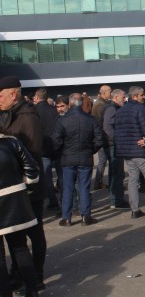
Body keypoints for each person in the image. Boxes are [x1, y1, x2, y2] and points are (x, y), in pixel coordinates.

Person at [0, 76, 47, 291]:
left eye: (0, 96)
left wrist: (27, 184)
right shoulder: (10, 114)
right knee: (18, 240)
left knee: (33, 234)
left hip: (29, 186)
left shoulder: (28, 117)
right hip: (14, 186)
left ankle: (36, 276)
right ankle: (18, 275)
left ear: (13, 94)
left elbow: (33, 154)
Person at [52, 93, 103, 227]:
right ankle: (85, 216)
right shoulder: (91, 119)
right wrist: (91, 150)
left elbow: (56, 142)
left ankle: (67, 217)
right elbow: (99, 140)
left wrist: (62, 151)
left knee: (68, 188)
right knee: (84, 188)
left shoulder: (63, 120)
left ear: (69, 104)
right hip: (84, 157)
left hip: (68, 158)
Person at [0, 133, 41, 297]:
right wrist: (24, 191)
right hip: (15, 201)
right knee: (20, 248)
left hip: (13, 199)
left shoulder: (11, 142)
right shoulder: (11, 142)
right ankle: (32, 290)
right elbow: (32, 172)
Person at [114, 87, 145, 220]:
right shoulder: (141, 109)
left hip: (127, 152)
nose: (143, 97)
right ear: (134, 96)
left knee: (133, 180)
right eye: (141, 95)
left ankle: (135, 209)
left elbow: (116, 131)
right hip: (142, 151)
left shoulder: (120, 111)